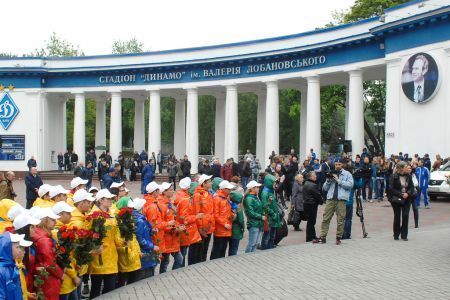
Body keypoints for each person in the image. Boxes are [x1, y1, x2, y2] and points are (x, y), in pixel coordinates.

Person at [89, 189, 123, 298]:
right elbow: (88, 236)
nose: (111, 200)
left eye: (111, 198)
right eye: (108, 199)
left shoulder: (111, 214)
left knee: (110, 289)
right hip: (98, 256)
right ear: (100, 200)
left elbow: (116, 234)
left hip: (111, 256)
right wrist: (95, 248)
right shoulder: (92, 216)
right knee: (96, 288)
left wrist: (122, 242)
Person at [314, 159, 353, 245]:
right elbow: (325, 188)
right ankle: (323, 237)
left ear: (342, 164)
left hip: (341, 200)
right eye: (336, 164)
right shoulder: (331, 173)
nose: (337, 166)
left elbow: (350, 185)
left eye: (339, 164)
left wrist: (339, 181)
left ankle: (338, 238)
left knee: (340, 220)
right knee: (326, 218)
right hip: (330, 199)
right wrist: (328, 180)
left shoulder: (347, 174)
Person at [32, 208, 64, 300]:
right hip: (48, 279)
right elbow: (49, 262)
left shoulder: (38, 234)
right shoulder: (44, 239)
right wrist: (61, 274)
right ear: (45, 221)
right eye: (52, 220)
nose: (55, 222)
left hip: (42, 276)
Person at [51, 202, 80, 300]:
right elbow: (63, 258)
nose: (71, 215)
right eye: (68, 213)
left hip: (69, 281)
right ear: (59, 215)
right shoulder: (57, 233)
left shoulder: (63, 230)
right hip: (65, 281)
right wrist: (74, 276)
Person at [174, 177, 202, 266]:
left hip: (181, 228)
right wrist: (196, 217)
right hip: (184, 230)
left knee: (182, 253)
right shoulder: (185, 200)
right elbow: (184, 219)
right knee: (183, 253)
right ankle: (180, 271)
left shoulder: (180, 196)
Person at [115, 197, 142, 287]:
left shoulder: (130, 220)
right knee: (121, 284)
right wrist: (129, 252)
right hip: (126, 260)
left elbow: (134, 239)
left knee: (133, 285)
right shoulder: (118, 222)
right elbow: (119, 242)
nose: (131, 210)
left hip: (135, 259)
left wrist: (138, 252)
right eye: (129, 207)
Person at [158, 183, 183, 273]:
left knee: (176, 259)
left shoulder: (169, 203)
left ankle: (171, 275)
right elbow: (160, 224)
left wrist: (178, 226)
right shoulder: (161, 205)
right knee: (166, 261)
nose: (173, 191)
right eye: (170, 190)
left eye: (172, 189)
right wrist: (174, 229)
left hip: (172, 238)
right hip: (166, 238)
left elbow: (172, 220)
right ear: (164, 192)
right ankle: (164, 277)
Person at [0, 232, 33, 300]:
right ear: (7, 248)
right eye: (17, 247)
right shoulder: (2, 270)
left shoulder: (13, 267)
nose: (19, 250)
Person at [388, 161, 415, 241]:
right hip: (397, 199)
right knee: (397, 216)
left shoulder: (409, 176)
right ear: (401, 168)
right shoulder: (393, 176)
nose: (408, 168)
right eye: (406, 167)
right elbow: (391, 189)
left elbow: (412, 187)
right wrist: (401, 194)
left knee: (405, 215)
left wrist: (407, 193)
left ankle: (404, 235)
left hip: (407, 198)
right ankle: (396, 234)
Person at [132, 198, 158, 279]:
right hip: (145, 252)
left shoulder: (139, 218)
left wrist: (151, 231)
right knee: (145, 276)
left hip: (144, 251)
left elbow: (143, 234)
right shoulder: (140, 221)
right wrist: (152, 246)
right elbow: (140, 238)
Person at [210, 180, 235, 260]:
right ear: (224, 189)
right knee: (217, 248)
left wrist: (232, 214)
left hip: (227, 227)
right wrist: (224, 224)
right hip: (221, 228)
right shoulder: (217, 198)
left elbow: (227, 211)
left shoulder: (226, 197)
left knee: (223, 248)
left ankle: (221, 264)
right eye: (229, 189)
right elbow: (215, 215)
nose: (230, 191)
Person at [192, 174, 214, 262]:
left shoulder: (208, 193)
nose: (211, 183)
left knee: (205, 249)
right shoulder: (197, 195)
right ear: (203, 183)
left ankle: (203, 266)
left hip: (209, 226)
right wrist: (200, 227)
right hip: (202, 228)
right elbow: (196, 212)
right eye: (209, 182)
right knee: (199, 250)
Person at [260, 174, 281, 250]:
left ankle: (270, 247)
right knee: (267, 235)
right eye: (274, 183)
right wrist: (273, 213)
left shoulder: (271, 191)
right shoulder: (265, 193)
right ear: (269, 183)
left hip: (273, 217)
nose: (275, 185)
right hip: (269, 217)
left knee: (272, 236)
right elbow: (265, 206)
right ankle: (265, 249)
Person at [243, 180, 264, 253]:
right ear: (252, 189)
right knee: (252, 243)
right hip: (253, 223)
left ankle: (252, 257)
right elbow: (250, 212)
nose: (258, 188)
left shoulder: (255, 197)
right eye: (257, 187)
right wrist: (261, 216)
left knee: (255, 243)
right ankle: (247, 257)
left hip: (258, 223)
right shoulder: (249, 199)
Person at [302, 171, 323, 242]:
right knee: (311, 222)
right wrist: (321, 201)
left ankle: (313, 236)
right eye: (314, 175)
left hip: (307, 204)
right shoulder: (312, 185)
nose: (316, 176)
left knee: (310, 221)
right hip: (312, 205)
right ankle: (309, 238)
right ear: (310, 177)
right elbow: (317, 195)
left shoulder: (306, 183)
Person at [228, 190, 244, 256]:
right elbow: (241, 220)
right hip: (237, 230)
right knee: (234, 248)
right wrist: (243, 228)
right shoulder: (239, 209)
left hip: (230, 230)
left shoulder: (229, 206)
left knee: (230, 247)